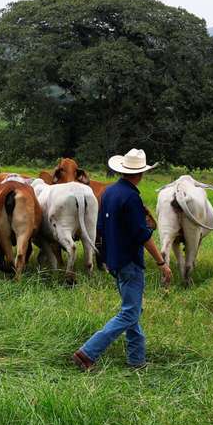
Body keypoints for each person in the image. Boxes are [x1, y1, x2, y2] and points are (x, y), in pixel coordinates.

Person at [73, 148, 172, 371]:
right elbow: (143, 236)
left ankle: (136, 360)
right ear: (141, 173)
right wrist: (161, 262)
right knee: (129, 312)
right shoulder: (131, 198)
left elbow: (100, 229)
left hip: (114, 260)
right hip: (130, 261)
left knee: (132, 310)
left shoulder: (108, 193)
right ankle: (87, 353)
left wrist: (105, 258)